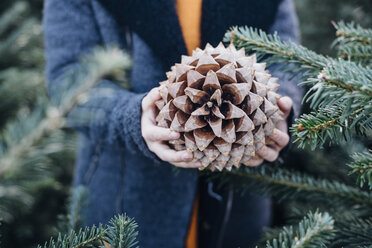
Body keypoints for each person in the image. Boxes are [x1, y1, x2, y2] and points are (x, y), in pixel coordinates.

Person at [44, 0, 302, 247]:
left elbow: (288, 61)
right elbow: (67, 81)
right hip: (125, 203)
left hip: (237, 209)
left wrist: (277, 112)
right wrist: (131, 117)